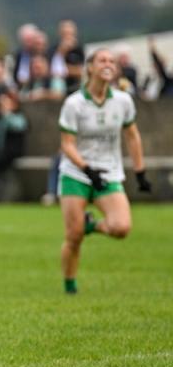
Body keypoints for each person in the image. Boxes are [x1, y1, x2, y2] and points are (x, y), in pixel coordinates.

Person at [57, 49, 152, 295]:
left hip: (108, 172)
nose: (108, 64)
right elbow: (67, 144)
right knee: (73, 235)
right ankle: (70, 286)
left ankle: (93, 225)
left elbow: (132, 136)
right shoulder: (74, 103)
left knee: (121, 228)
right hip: (76, 173)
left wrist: (140, 172)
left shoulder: (123, 101)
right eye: (102, 60)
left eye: (112, 61)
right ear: (90, 67)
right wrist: (87, 169)